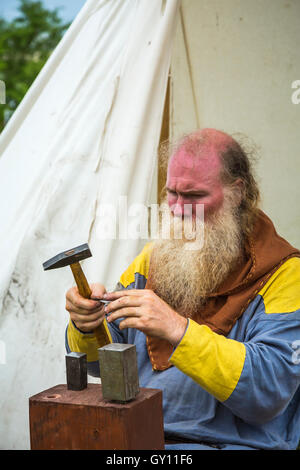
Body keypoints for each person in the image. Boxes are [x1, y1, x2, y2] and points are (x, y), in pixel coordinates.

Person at [65, 128, 300, 450]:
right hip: (137, 438)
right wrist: (86, 323)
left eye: (194, 196)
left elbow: (268, 394)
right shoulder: (152, 260)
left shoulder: (287, 274)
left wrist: (178, 330)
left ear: (237, 192)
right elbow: (101, 367)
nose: (177, 208)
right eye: (171, 193)